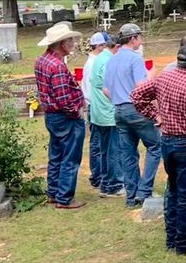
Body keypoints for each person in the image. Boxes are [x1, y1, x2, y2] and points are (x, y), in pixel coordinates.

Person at [132, 43, 186, 256]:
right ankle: (184, 243)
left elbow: (137, 95)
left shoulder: (164, 77)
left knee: (173, 190)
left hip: (167, 141)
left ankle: (172, 237)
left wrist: (155, 115)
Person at [103, 23, 162, 208]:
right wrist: (151, 76)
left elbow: (105, 90)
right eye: (139, 37)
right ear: (133, 38)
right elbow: (141, 88)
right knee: (156, 146)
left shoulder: (111, 59)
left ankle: (131, 196)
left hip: (118, 109)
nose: (141, 40)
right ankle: (144, 191)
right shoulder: (135, 58)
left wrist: (119, 97)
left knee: (127, 153)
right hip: (135, 108)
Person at [34, 24, 87, 209]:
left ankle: (53, 193)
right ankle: (64, 198)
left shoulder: (42, 60)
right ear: (62, 43)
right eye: (70, 40)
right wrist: (77, 111)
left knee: (56, 155)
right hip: (65, 117)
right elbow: (64, 99)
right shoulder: (57, 66)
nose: (73, 43)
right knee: (70, 157)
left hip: (52, 116)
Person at [87, 35, 125, 198]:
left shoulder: (100, 58)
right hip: (108, 112)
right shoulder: (109, 61)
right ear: (116, 47)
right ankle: (113, 185)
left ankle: (104, 181)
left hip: (98, 112)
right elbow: (108, 88)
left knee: (104, 150)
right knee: (113, 150)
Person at [82, 32, 108, 190]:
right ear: (100, 46)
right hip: (95, 106)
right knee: (97, 143)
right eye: (104, 46)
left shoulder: (93, 61)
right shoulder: (94, 63)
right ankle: (97, 175)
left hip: (94, 105)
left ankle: (99, 173)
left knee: (99, 142)